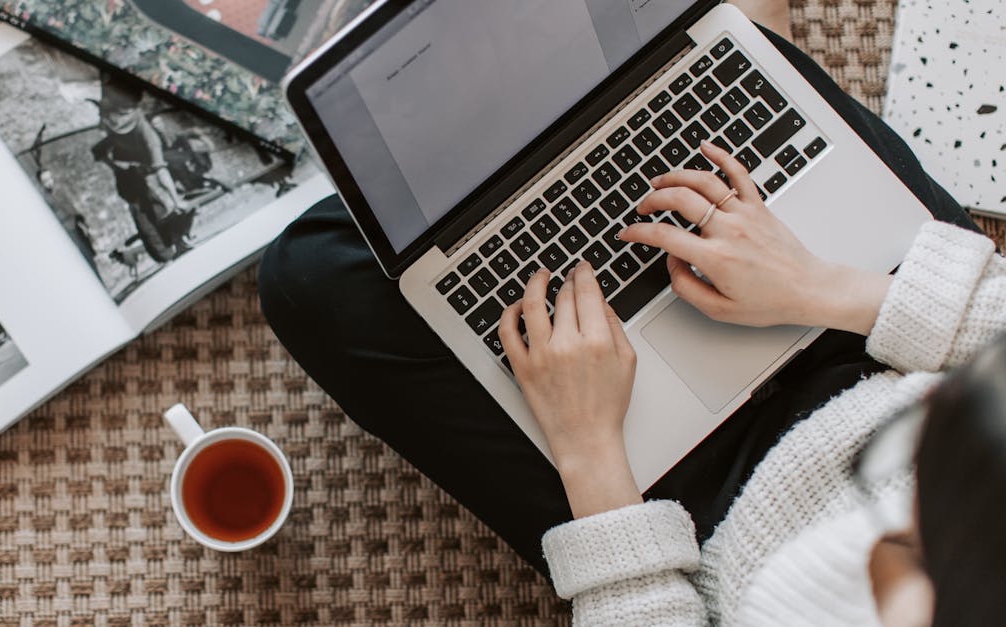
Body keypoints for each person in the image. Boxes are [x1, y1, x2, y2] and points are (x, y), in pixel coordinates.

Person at [256, 2, 1006, 624]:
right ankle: (713, 44)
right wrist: (815, 283)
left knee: (313, 272)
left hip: (692, 523)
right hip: (898, 346)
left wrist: (590, 455)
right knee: (729, 60)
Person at [91, 76, 195, 262]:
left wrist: (175, 199)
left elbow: (161, 171)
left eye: (123, 114)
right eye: (115, 114)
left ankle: (174, 244)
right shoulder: (109, 110)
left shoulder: (147, 136)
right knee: (144, 212)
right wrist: (114, 164)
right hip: (129, 173)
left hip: (146, 172)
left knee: (157, 209)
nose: (115, 121)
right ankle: (168, 248)